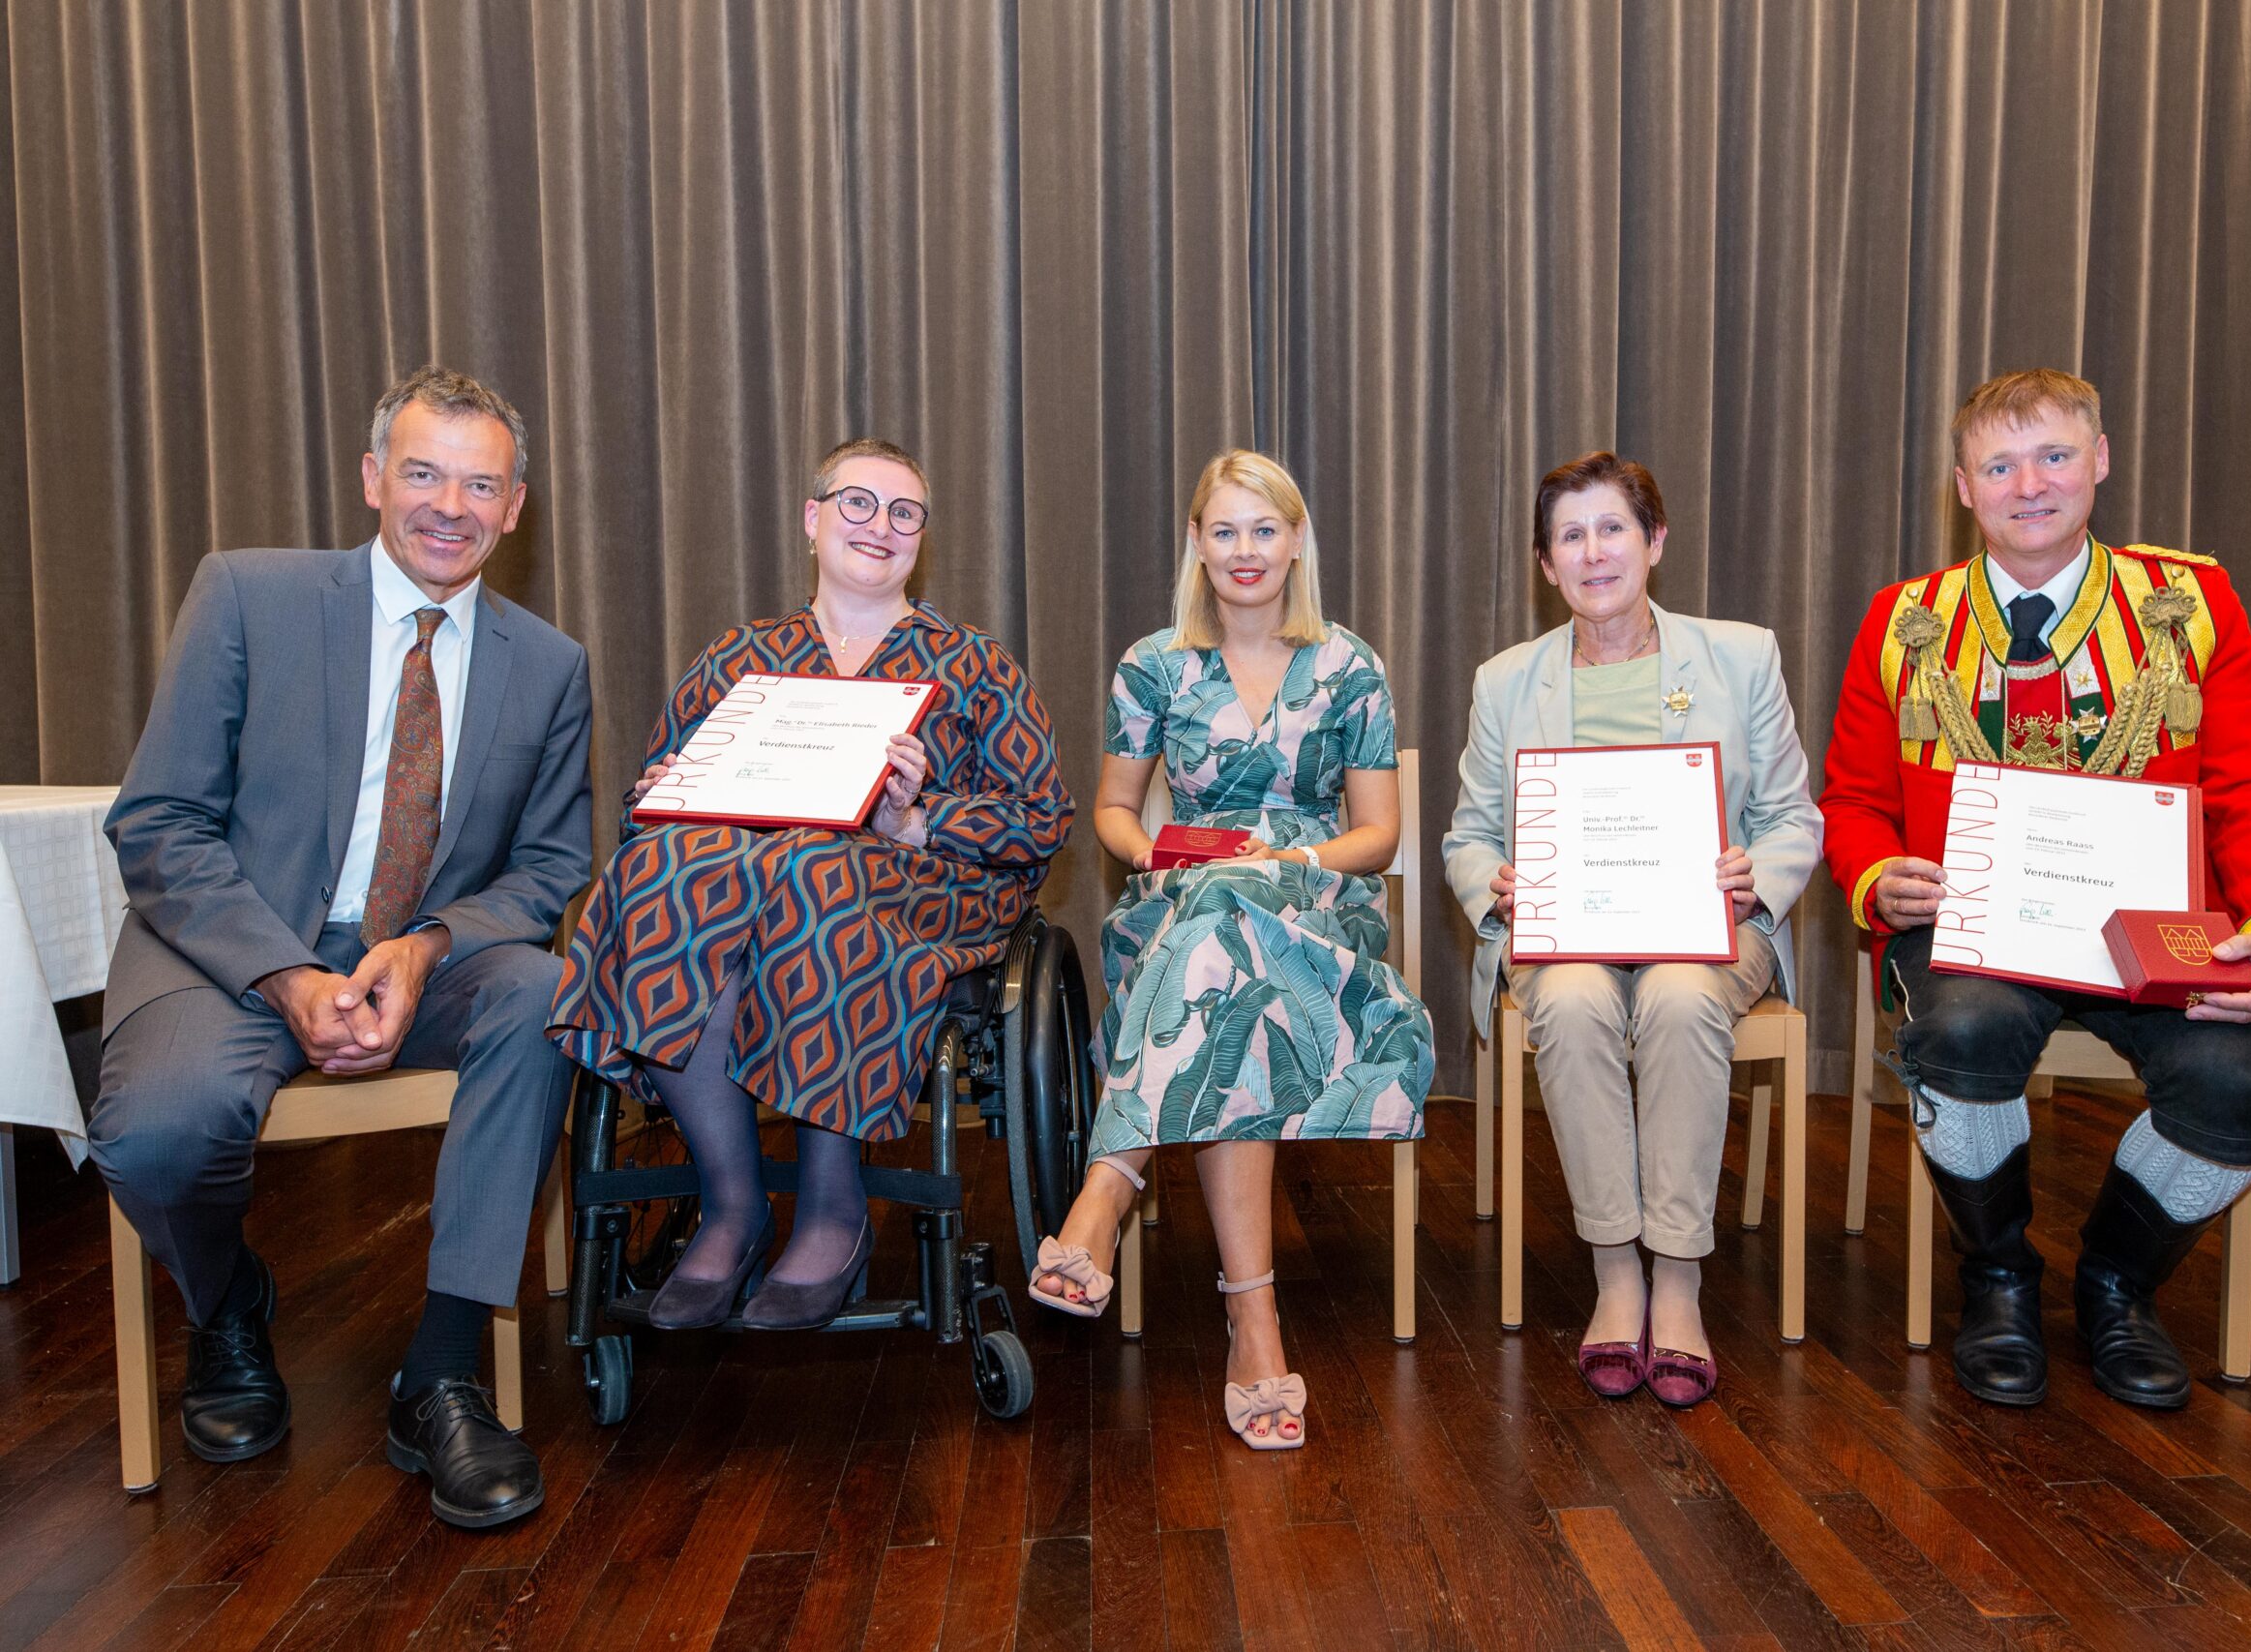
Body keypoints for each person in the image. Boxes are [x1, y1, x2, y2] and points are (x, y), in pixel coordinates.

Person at [89, 368, 591, 1528]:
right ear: (372, 480)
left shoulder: (548, 663)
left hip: (426, 950)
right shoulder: (247, 596)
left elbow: (551, 869)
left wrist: (424, 949)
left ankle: (442, 1373)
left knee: (545, 994)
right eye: (422, 473)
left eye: (481, 483)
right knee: (161, 1129)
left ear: (517, 507)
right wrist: (285, 971)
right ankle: (225, 1303)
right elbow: (158, 821)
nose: (449, 506)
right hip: (232, 938)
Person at [1821, 368, 2251, 1411]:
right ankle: (1999, 1274)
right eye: (2000, 465)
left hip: (2158, 928)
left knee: (2242, 1091)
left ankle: (2117, 1280)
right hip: (1975, 930)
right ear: (1962, 488)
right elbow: (1852, 800)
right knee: (1959, 1040)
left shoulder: (2188, 603)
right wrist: (1880, 876)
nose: (2030, 485)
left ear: (2098, 462)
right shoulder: (1902, 619)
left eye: (2054, 456)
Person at [548, 437, 1071, 1337]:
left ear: (922, 538)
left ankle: (834, 1211)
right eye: (858, 503)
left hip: (924, 880)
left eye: (904, 512)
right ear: (813, 517)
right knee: (663, 872)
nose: (881, 526)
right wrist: (690, 785)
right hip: (747, 875)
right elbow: (650, 802)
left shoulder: (975, 663)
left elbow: (1043, 818)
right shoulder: (741, 658)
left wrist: (921, 816)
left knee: (812, 873)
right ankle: (735, 1207)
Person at [1024, 449, 1432, 1452]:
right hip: (1174, 906)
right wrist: (1158, 853)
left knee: (1231, 928)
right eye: (1223, 530)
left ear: (1295, 541)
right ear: (1196, 546)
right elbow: (1116, 813)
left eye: (1263, 529)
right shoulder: (1151, 664)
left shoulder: (1351, 666)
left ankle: (1108, 1186)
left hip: (1316, 904)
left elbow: (1375, 835)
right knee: (1215, 935)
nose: (1244, 550)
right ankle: (1254, 1322)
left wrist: (1283, 855)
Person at [1442, 451, 1822, 1406]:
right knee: (1569, 1004)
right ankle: (1616, 1272)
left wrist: (1755, 874)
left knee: (1680, 994)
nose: (1593, 552)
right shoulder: (1504, 682)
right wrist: (1494, 882)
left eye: (1611, 528)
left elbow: (1792, 818)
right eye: (1569, 536)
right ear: (1545, 565)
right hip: (1563, 934)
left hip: (1708, 928)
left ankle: (1680, 1278)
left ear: (1653, 542)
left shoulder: (1740, 656)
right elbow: (1468, 833)